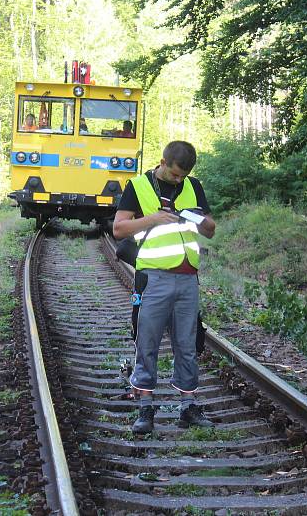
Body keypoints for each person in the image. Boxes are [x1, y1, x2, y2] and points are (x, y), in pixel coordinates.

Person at [112, 140, 216, 434]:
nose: (178, 180)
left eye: (183, 176)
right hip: (154, 277)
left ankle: (188, 407)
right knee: (148, 342)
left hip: (187, 277)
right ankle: (146, 408)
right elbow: (118, 229)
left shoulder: (193, 187)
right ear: (162, 162)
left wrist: (200, 219)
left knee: (188, 344)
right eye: (174, 174)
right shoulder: (138, 186)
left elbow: (210, 229)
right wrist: (152, 219)